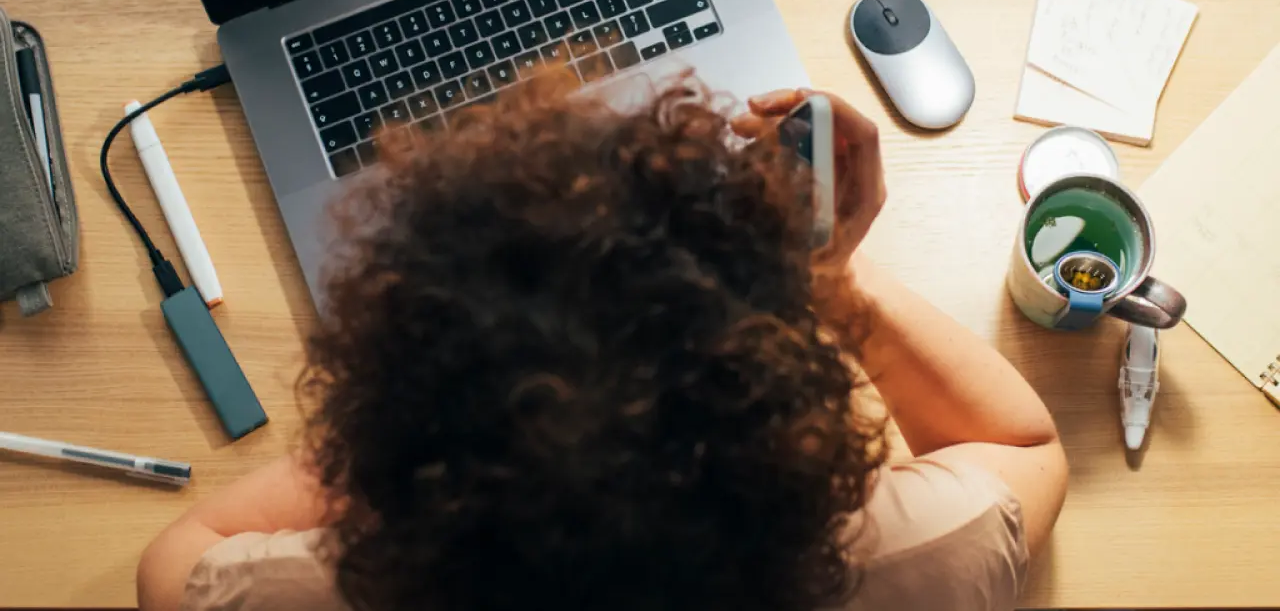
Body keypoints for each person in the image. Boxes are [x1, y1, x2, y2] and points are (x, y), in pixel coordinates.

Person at [135, 78, 1068, 611]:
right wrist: (828, 282)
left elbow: (178, 556)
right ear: (793, 436)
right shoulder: (924, 560)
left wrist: (393, 443)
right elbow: (1023, 446)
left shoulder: (311, 598)